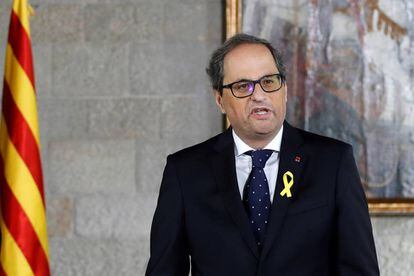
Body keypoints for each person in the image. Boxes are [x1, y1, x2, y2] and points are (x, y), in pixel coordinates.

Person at [145, 33, 379, 276]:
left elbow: (360, 270)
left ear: (285, 90)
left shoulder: (333, 162)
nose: (258, 95)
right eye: (242, 86)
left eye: (269, 82)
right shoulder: (184, 171)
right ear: (220, 100)